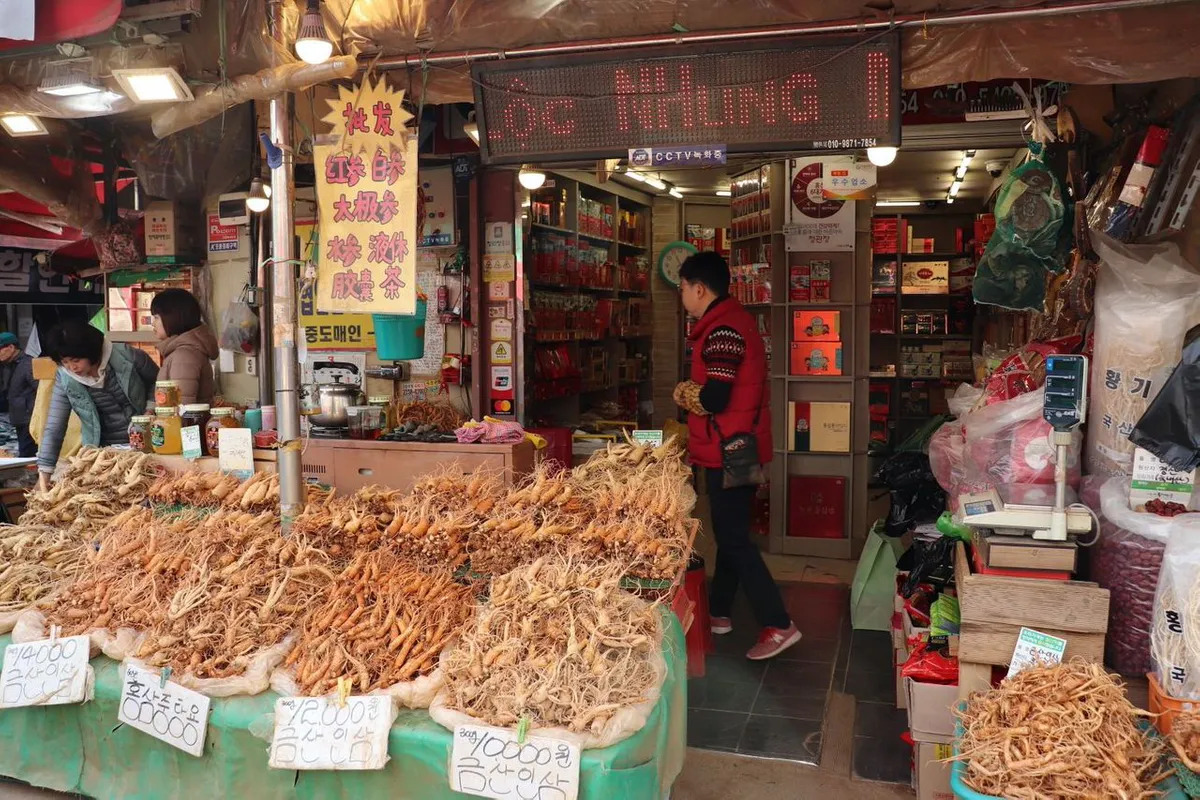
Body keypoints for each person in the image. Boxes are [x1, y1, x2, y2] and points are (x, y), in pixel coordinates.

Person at [672, 251, 800, 661]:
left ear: (699, 288)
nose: (682, 296)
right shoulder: (730, 321)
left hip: (730, 447)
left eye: (682, 288)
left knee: (733, 539)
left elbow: (715, 396)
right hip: (739, 443)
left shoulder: (721, 331)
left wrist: (685, 394)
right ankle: (721, 612)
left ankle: (780, 624)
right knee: (731, 533)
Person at [37, 320, 158, 489]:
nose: (72, 367)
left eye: (76, 360)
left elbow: (159, 382)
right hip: (102, 453)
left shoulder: (126, 356)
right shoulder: (65, 378)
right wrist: (45, 473)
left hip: (146, 446)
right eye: (64, 362)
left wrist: (150, 410)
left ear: (91, 351)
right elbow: (55, 426)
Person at [150, 288, 218, 405]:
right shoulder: (182, 351)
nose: (153, 323)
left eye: (156, 317)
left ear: (172, 318)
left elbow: (182, 410)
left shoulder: (184, 356)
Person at [0, 332, 36, 456]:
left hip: (30, 419)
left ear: (11, 347)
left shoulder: (28, 364)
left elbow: (40, 390)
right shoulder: (7, 366)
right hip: (18, 418)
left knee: (27, 455)